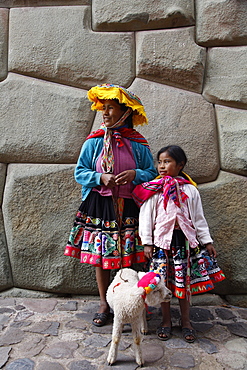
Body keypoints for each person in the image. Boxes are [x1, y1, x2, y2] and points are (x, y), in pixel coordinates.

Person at [64, 83, 157, 327]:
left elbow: (151, 173)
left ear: (125, 113)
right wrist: (100, 177)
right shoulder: (94, 142)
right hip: (100, 204)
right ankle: (105, 303)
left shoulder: (138, 143)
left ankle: (129, 302)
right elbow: (80, 172)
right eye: (103, 108)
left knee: (129, 257)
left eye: (110, 108)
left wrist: (135, 174)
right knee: (101, 256)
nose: (104, 113)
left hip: (128, 205)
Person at [132, 145, 225, 342]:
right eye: (160, 162)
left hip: (184, 245)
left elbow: (198, 218)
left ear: (180, 165)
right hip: (161, 246)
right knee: (162, 284)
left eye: (167, 162)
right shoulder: (154, 189)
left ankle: (186, 321)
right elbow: (146, 218)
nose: (162, 166)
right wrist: (147, 243)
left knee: (185, 284)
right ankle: (166, 321)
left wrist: (206, 241)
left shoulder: (190, 190)